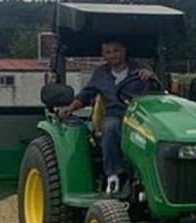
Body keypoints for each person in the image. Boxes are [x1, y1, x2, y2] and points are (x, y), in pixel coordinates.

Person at [58, 39, 154, 194]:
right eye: (108, 52)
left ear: (124, 51)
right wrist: (69, 109)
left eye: (116, 51)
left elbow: (157, 88)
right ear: (103, 55)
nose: (113, 55)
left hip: (140, 115)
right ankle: (114, 175)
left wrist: (149, 75)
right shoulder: (100, 74)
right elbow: (85, 95)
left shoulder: (141, 69)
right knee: (110, 128)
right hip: (115, 114)